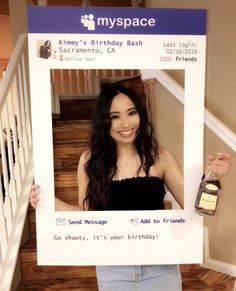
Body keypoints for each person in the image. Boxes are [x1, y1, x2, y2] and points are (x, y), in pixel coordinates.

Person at [30, 85, 231, 290]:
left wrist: (213, 175)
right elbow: (86, 215)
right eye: (115, 116)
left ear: (140, 115)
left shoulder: (160, 157)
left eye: (132, 113)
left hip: (160, 266)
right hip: (112, 269)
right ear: (103, 121)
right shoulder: (89, 161)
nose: (126, 123)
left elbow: (195, 208)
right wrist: (47, 202)